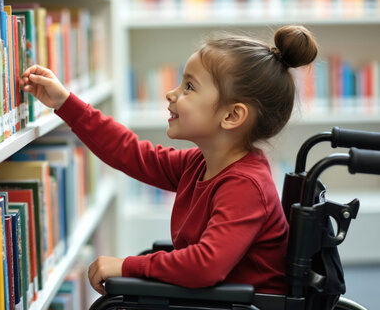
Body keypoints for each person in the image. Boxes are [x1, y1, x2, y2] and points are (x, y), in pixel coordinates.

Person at [20, 25, 318, 296]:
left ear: (232, 116)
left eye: (189, 86)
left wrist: (129, 266)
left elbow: (206, 265)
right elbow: (131, 153)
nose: (170, 93)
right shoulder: (200, 164)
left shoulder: (246, 186)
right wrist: (65, 103)